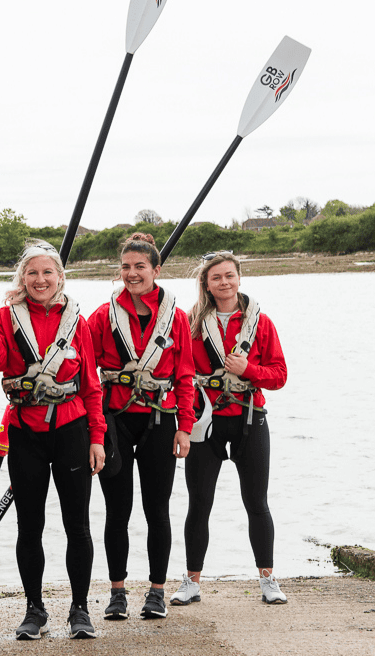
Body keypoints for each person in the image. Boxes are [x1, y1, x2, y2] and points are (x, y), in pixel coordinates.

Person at [0, 240, 107, 641]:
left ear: (59, 277)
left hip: (71, 430)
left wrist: (97, 437)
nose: (40, 279)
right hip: (23, 432)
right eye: (32, 273)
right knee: (29, 525)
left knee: (77, 525)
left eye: (47, 272)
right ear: (21, 279)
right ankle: (35, 609)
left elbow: (91, 387)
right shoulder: (4, 317)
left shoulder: (77, 322)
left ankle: (80, 609)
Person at [170, 252, 288, 607]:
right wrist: (184, 424)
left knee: (257, 504)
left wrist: (249, 368)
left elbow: (279, 375)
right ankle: (191, 582)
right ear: (206, 283)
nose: (224, 283)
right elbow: (180, 374)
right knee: (199, 504)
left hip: (250, 421)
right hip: (204, 423)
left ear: (239, 278)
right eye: (216, 277)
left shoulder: (261, 323)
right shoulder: (189, 322)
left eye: (229, 276)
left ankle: (268, 579)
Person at [88, 233, 195, 620]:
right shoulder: (102, 316)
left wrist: (185, 426)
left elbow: (185, 375)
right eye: (126, 267)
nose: (132, 274)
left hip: (160, 421)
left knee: (157, 509)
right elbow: (84, 366)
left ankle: (156, 591)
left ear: (156, 270)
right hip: (115, 421)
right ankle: (117, 592)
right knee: (117, 509)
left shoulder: (176, 317)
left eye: (140, 267)